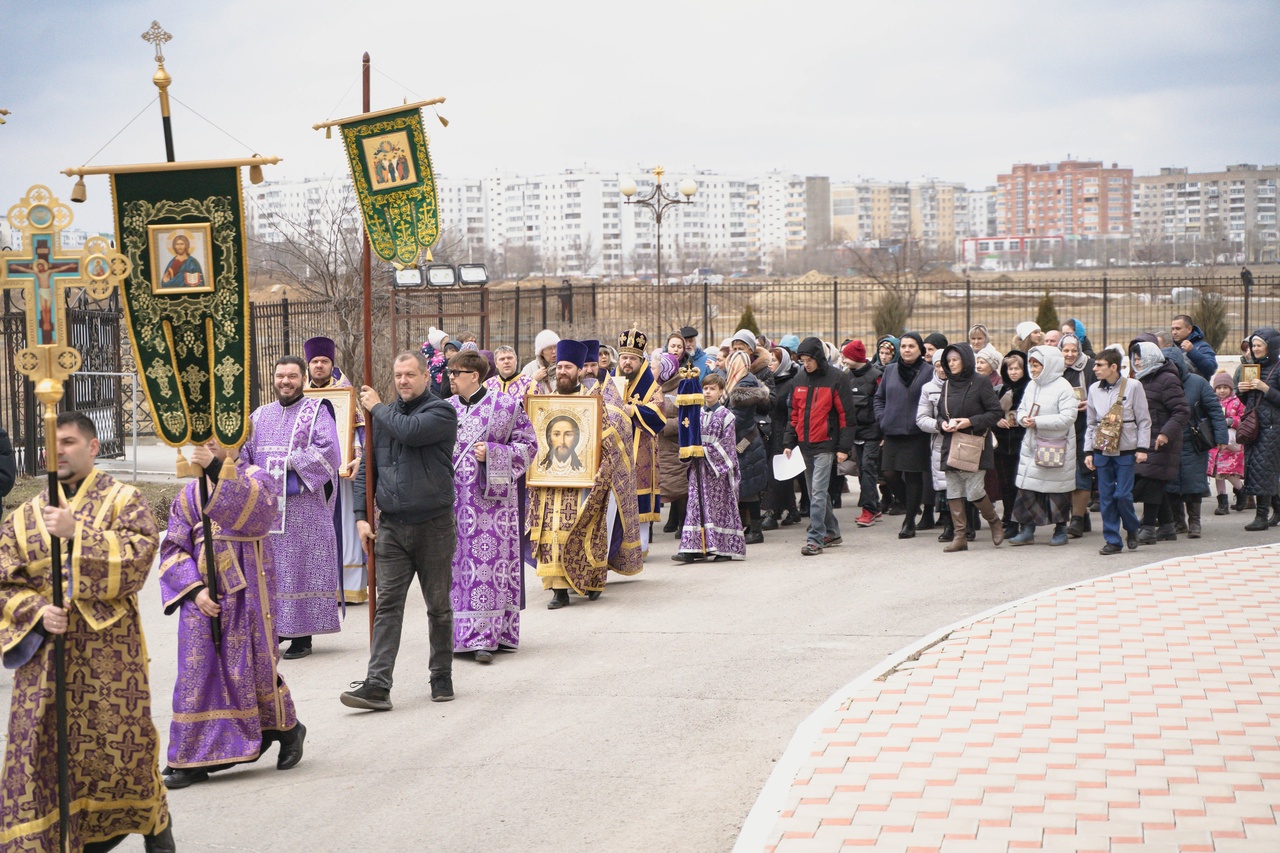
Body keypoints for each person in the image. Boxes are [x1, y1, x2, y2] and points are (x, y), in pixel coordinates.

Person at [0, 412, 174, 852]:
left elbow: (139, 558)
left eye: (69, 441)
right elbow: (4, 582)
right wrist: (38, 612)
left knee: (121, 754)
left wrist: (80, 534)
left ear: (93, 447)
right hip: (44, 662)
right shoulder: (22, 518)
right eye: (51, 443)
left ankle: (153, 824)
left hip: (109, 659)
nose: (57, 450)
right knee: (41, 758)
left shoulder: (124, 500)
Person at [159, 437, 306, 789]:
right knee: (197, 671)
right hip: (202, 598)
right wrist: (194, 589)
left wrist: (213, 467)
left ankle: (288, 731)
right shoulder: (189, 495)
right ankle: (191, 758)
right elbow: (172, 547)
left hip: (247, 592)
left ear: (235, 439)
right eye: (203, 441)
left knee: (252, 667)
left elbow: (256, 515)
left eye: (215, 439)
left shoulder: (258, 477)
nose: (208, 445)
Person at [342, 351, 459, 711]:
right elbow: (366, 470)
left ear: (426, 376)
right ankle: (378, 684)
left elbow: (410, 433)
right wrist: (361, 515)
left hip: (434, 525)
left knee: (438, 605)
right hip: (391, 527)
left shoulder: (441, 412)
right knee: (387, 606)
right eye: (398, 375)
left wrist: (376, 408)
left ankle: (441, 673)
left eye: (410, 374)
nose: (403, 381)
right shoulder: (383, 418)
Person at [528, 340, 641, 608]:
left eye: (568, 367)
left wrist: (599, 456)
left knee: (585, 530)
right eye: (560, 367)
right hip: (550, 482)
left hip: (583, 480)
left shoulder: (593, 402)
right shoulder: (545, 402)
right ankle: (559, 590)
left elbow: (610, 435)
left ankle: (590, 578)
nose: (563, 372)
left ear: (579, 371)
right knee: (553, 531)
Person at [242, 355, 342, 660]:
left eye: (292, 376)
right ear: (273, 378)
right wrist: (248, 474)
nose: (286, 381)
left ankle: (303, 637)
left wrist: (287, 465)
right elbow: (243, 451)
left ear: (302, 379)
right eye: (280, 376)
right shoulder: (259, 415)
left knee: (300, 568)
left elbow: (329, 452)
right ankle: (279, 630)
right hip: (268, 509)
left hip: (303, 510)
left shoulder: (317, 411)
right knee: (272, 571)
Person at [445, 351, 537, 663]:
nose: (451, 378)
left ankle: (486, 637)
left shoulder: (507, 406)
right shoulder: (445, 409)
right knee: (457, 569)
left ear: (474, 375)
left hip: (492, 510)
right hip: (453, 506)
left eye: (456, 373)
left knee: (486, 570)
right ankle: (458, 635)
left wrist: (496, 454)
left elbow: (529, 446)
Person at [305, 335, 367, 604]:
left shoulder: (346, 394)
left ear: (332, 364)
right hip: (312, 476)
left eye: (324, 361)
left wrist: (359, 457)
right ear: (308, 365)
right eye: (315, 361)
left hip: (344, 475)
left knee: (346, 527)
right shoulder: (299, 395)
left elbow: (360, 432)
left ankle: (350, 588)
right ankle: (321, 587)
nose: (319, 366)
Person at [784, 337, 855, 556]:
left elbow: (846, 416)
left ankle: (815, 538)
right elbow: (793, 414)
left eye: (809, 360)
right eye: (803, 360)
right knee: (817, 493)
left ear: (818, 358)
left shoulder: (837, 378)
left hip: (826, 444)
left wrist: (844, 448)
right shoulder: (799, 379)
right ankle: (832, 531)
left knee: (818, 492)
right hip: (805, 446)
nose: (806, 364)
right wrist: (789, 442)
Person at [935, 343, 1006, 551]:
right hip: (952, 442)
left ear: (966, 360)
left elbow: (995, 413)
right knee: (954, 490)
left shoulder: (981, 382)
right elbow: (939, 413)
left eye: (955, 360)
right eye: (949, 361)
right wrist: (942, 424)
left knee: (975, 491)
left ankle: (994, 521)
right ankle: (960, 536)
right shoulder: (946, 385)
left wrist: (970, 421)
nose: (951, 364)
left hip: (975, 444)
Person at [1084, 348, 1152, 555]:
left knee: (1122, 494)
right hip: (1101, 450)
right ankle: (1112, 540)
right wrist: (1088, 451)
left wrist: (1142, 447)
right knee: (1105, 497)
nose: (1094, 369)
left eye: (1099, 365)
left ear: (1113, 367)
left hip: (1126, 449)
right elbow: (1091, 422)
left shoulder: (1133, 386)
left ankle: (1131, 528)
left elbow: (1144, 420)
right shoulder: (1094, 389)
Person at [1007, 346, 1077, 546]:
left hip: (1056, 446)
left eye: (1037, 365)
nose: (1033, 369)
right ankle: (1027, 528)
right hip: (1032, 445)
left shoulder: (1063, 387)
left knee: (1057, 490)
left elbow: (1068, 417)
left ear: (1049, 365)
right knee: (1027, 487)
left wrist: (1038, 421)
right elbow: (1021, 409)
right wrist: (1023, 419)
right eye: (1031, 364)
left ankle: (1061, 529)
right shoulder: (1032, 385)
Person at [673, 373, 745, 562]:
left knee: (718, 508)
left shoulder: (727, 416)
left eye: (712, 388)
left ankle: (723, 548)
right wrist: (689, 449)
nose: (708, 392)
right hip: (699, 468)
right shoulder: (697, 414)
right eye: (705, 388)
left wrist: (704, 451)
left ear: (721, 391)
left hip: (717, 471)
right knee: (695, 506)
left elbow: (728, 445)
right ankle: (693, 547)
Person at [1162, 347, 1228, 539]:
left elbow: (1215, 410)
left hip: (1194, 440)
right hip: (1170, 440)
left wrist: (1221, 437)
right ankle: (1178, 521)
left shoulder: (1197, 383)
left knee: (1194, 482)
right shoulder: (1162, 384)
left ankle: (1194, 522)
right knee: (1171, 483)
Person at [1128, 340, 1189, 544]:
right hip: (1145, 439)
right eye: (1134, 359)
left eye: (1140, 359)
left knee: (1151, 481)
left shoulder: (1167, 379)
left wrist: (1165, 433)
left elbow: (1181, 410)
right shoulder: (1140, 379)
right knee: (1153, 481)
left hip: (1163, 440)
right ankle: (1167, 527)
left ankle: (1148, 528)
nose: (1137, 363)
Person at [615, 327, 667, 554]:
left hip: (640, 449)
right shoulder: (612, 382)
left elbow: (659, 415)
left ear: (640, 360)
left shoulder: (652, 387)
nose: (627, 363)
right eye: (624, 357)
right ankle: (616, 546)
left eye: (632, 359)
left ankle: (640, 547)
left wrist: (632, 410)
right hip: (614, 450)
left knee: (639, 497)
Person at [873, 332, 931, 537]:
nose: (907, 350)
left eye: (911, 346)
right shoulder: (890, 370)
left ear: (920, 349)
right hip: (892, 430)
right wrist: (882, 418)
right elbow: (879, 398)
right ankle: (911, 505)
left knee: (914, 476)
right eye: (904, 346)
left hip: (917, 432)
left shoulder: (928, 371)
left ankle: (909, 522)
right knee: (889, 473)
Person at [725, 349, 771, 545]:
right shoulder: (743, 383)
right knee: (745, 486)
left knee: (749, 488)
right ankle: (749, 526)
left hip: (745, 442)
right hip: (747, 441)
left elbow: (737, 420)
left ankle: (756, 530)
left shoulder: (742, 388)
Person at [1238, 329, 1280, 531]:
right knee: (1260, 468)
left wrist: (1266, 389)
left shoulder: (1278, 368)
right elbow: (1251, 402)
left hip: (1273, 426)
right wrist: (1242, 392)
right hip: (1254, 426)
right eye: (1253, 346)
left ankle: (1261, 516)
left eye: (1258, 345)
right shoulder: (1252, 367)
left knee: (1263, 468)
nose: (1254, 349)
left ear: (1270, 346)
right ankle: (1277, 509)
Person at [841, 340, 884, 527]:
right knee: (862, 470)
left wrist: (883, 432)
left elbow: (884, 403)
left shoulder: (877, 376)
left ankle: (869, 510)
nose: (843, 359)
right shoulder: (846, 376)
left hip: (873, 431)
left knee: (868, 467)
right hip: (854, 431)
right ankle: (874, 505)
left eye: (846, 356)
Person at [1060, 334, 1097, 538]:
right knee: (1064, 475)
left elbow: (1099, 391)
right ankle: (1081, 515)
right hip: (1062, 429)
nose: (1070, 354)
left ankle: (1077, 520)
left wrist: (1089, 403)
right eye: (1066, 350)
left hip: (1084, 427)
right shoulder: (1056, 369)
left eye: (1074, 350)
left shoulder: (1089, 367)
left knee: (1081, 473)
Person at [762, 344, 803, 530]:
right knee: (778, 471)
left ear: (783, 363)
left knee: (776, 472)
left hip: (783, 430)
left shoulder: (791, 382)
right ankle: (792, 508)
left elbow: (790, 410)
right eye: (769, 361)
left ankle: (771, 511)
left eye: (774, 361)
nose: (770, 364)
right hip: (768, 431)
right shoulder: (767, 381)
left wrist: (789, 435)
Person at [992, 351, 1030, 540]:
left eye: (1017, 368)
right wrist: (997, 420)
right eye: (1010, 368)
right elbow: (990, 413)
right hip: (1002, 442)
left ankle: (1020, 519)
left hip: (1021, 442)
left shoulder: (1029, 389)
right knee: (1005, 483)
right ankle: (1008, 517)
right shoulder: (1000, 389)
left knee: (1019, 482)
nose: (1013, 372)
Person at [1208, 372, 1246, 514]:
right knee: (1218, 474)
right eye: (1219, 387)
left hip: (1231, 444)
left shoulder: (1237, 402)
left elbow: (1243, 417)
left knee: (1229, 473)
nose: (1222, 390)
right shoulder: (1212, 401)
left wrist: (1231, 421)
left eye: (1225, 387)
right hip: (1216, 444)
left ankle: (1242, 492)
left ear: (1231, 388)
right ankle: (1222, 503)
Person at [1171, 313, 1218, 381]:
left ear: (1189, 329)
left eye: (1178, 329)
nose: (1174, 332)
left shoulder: (1202, 346)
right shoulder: (1170, 347)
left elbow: (1211, 369)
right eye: (1172, 329)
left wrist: (1192, 351)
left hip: (1196, 389)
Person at [521, 329, 561, 394]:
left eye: (556, 347)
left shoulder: (565, 367)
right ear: (541, 352)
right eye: (549, 348)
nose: (554, 351)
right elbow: (519, 394)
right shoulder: (529, 369)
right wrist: (532, 379)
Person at [421, 326, 453, 398]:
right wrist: (446, 378)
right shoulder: (438, 359)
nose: (448, 345)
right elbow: (434, 373)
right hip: (439, 389)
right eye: (445, 343)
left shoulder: (436, 355)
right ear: (437, 345)